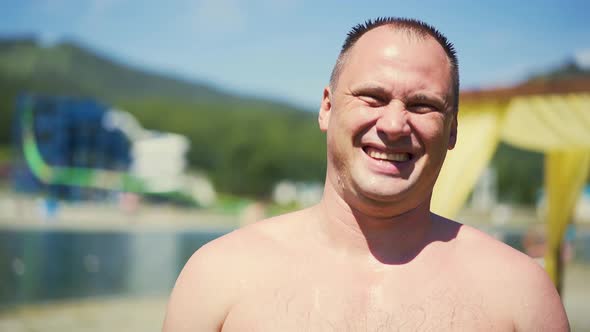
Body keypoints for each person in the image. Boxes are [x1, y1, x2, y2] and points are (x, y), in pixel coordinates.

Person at [163, 17, 569, 331]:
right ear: (327, 107)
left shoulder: (520, 292)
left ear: (453, 130)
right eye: (372, 97)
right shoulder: (219, 273)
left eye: (423, 104)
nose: (394, 124)